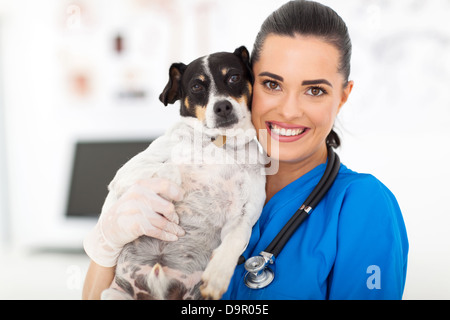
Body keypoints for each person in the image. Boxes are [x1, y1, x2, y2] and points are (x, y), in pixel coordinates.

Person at [83, 0, 408, 300]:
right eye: (272, 84)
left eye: (314, 90)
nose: (290, 110)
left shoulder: (363, 205)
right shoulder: (190, 175)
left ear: (343, 95)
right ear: (249, 84)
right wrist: (104, 247)